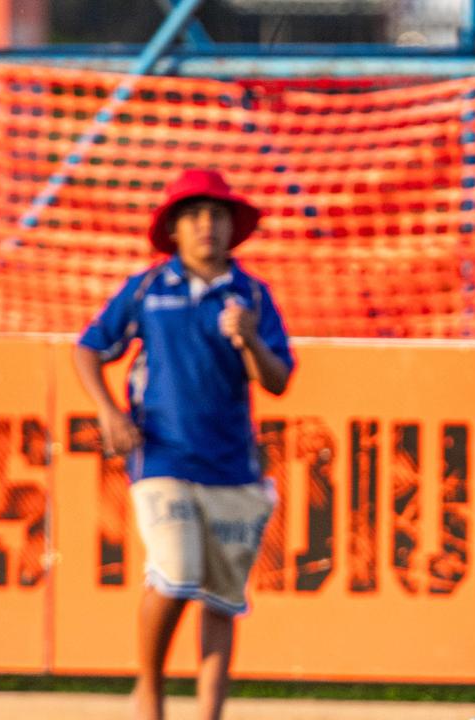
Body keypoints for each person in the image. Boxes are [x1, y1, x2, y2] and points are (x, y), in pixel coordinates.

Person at [74, 168, 294, 720]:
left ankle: (209, 713)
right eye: (194, 215)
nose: (206, 226)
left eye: (216, 215)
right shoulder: (148, 289)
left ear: (231, 227)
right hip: (163, 455)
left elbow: (277, 378)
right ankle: (149, 691)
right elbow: (88, 350)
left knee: (221, 598)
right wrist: (108, 413)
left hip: (233, 466)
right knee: (174, 573)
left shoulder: (251, 295)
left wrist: (247, 337)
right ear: (173, 227)